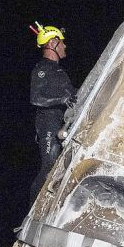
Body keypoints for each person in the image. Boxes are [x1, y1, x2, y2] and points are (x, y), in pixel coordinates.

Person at [29, 22, 77, 204]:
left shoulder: (58, 71)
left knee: (61, 166)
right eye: (61, 42)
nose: (64, 46)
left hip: (61, 122)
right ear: (52, 44)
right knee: (49, 165)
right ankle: (31, 212)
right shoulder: (42, 68)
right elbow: (36, 98)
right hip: (48, 122)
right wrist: (62, 100)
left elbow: (73, 95)